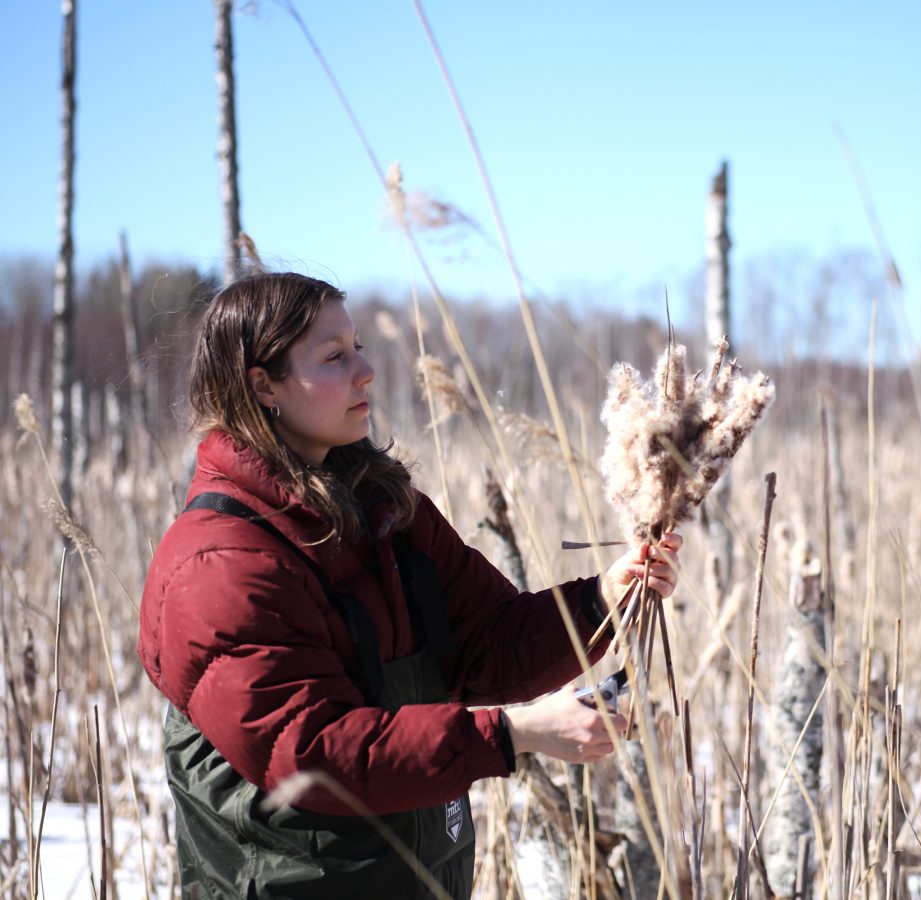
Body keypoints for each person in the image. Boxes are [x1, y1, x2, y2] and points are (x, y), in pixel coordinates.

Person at [137, 272, 681, 899]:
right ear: (263, 385)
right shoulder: (220, 563)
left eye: (359, 346)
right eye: (335, 356)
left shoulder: (388, 513)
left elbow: (487, 641)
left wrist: (599, 601)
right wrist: (513, 734)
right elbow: (312, 754)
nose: (366, 370)